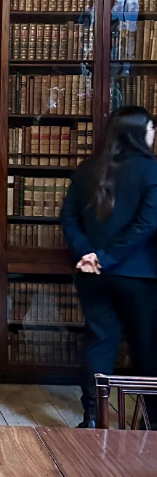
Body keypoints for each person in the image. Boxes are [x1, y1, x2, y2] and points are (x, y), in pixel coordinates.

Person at [61, 105, 157, 428]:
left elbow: (68, 218)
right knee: (146, 348)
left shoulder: (88, 169)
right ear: (138, 133)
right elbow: (147, 225)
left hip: (92, 276)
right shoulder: (151, 170)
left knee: (99, 342)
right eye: (151, 129)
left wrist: (88, 254)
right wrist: (106, 257)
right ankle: (150, 422)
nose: (153, 134)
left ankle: (92, 416)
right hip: (139, 277)